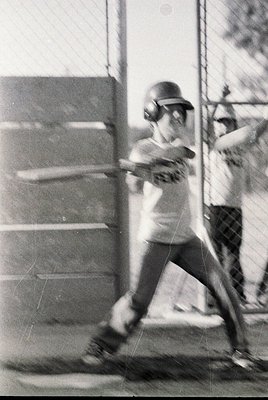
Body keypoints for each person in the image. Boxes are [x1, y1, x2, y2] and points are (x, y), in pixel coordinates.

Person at [81, 81, 264, 371]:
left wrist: (160, 159)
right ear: (153, 114)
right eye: (171, 111)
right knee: (140, 300)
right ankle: (101, 344)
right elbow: (134, 181)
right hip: (156, 237)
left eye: (181, 111)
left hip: (185, 237)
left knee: (223, 286)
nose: (179, 117)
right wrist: (139, 169)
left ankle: (241, 351)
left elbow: (183, 154)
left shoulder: (182, 146)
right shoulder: (141, 149)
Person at [206, 85, 268, 306]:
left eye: (228, 121)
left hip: (234, 206)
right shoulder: (214, 145)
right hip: (214, 206)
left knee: (234, 253)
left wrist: (265, 120)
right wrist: (219, 99)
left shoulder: (240, 147)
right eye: (220, 121)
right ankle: (213, 300)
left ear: (234, 124)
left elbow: (254, 134)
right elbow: (206, 123)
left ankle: (237, 295)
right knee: (215, 255)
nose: (224, 125)